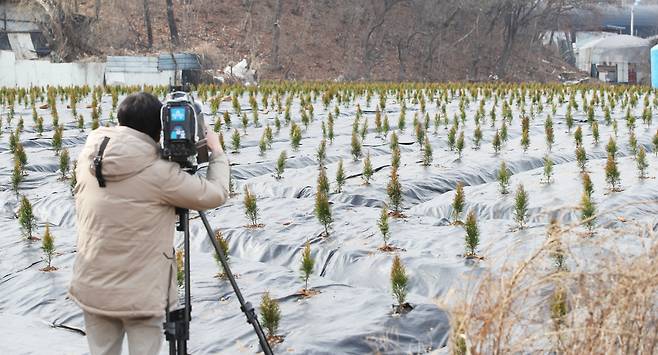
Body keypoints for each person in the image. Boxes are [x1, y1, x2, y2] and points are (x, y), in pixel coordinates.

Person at [68, 92, 230, 355]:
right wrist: (217, 152)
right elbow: (215, 194)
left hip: (93, 287)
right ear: (159, 129)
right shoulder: (160, 174)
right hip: (140, 297)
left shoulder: (89, 156)